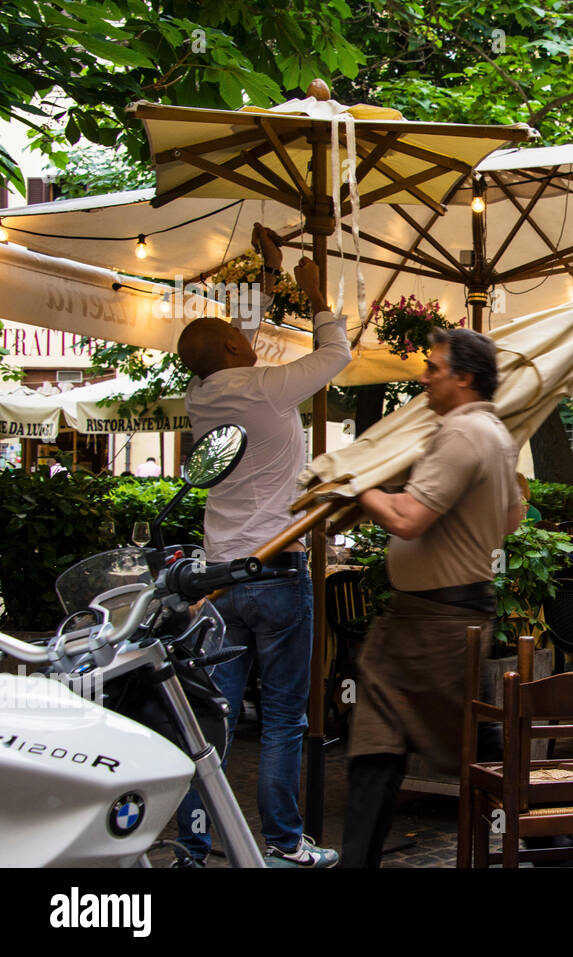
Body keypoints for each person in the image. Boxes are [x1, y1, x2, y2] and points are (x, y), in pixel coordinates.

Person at [172, 224, 349, 867]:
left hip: (218, 580)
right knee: (283, 718)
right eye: (237, 336)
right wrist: (316, 296)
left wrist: (268, 277)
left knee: (212, 720)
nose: (248, 342)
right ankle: (282, 844)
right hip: (277, 569)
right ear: (228, 347)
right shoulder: (265, 386)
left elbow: (234, 342)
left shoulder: (202, 392)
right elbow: (336, 357)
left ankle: (193, 847)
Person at [341, 326, 523, 868]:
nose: (423, 378)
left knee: (474, 747)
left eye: (434, 369)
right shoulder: (492, 433)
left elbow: (409, 518)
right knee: (378, 742)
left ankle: (560, 845)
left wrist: (353, 481)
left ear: (464, 377)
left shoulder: (465, 435)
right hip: (426, 619)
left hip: (439, 625)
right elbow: (512, 516)